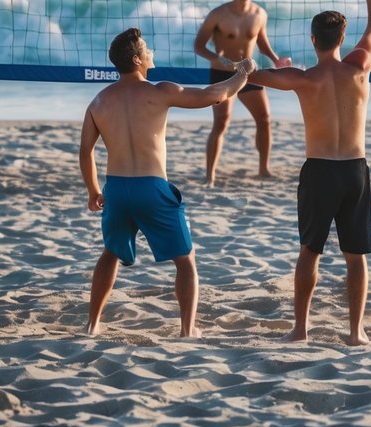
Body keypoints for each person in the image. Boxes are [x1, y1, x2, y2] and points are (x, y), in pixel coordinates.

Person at [79, 27, 256, 338]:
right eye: (147, 49)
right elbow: (215, 95)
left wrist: (93, 190)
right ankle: (188, 330)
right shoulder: (160, 91)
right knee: (185, 259)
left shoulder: (98, 101)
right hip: (151, 187)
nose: (152, 54)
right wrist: (244, 73)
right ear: (137, 59)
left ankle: (92, 326)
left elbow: (85, 152)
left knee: (110, 252)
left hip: (116, 189)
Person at [247, 0, 371, 346]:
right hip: (355, 170)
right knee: (356, 256)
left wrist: (247, 66)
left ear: (312, 39)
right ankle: (356, 332)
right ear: (342, 38)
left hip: (320, 171)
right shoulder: (360, 69)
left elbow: (251, 78)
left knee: (310, 252)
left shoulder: (303, 80)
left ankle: (301, 329)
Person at [194, 0, 292, 186]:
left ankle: (263, 169)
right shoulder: (218, 14)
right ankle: (210, 176)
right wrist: (216, 60)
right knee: (221, 122)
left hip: (248, 72)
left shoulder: (260, 14)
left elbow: (262, 43)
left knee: (264, 119)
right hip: (222, 73)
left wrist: (276, 60)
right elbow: (198, 45)